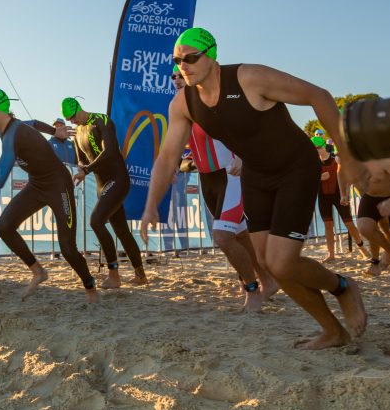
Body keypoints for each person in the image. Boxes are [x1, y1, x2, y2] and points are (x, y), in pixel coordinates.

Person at [141, 28, 369, 350]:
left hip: (295, 168)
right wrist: (151, 203)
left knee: (282, 262)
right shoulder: (184, 103)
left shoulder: (250, 78)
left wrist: (347, 157)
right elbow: (167, 156)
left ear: (212, 55)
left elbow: (319, 96)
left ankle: (344, 287)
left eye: (190, 58)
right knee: (268, 262)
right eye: (177, 61)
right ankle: (332, 331)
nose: (183, 66)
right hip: (256, 176)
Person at [0, 89, 98, 302]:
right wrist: (54, 131)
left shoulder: (13, 135)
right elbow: (33, 122)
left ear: (3, 109)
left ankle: (90, 287)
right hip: (37, 185)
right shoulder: (4, 129)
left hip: (59, 186)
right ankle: (38, 271)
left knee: (68, 248)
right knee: (4, 226)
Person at [170, 67, 277, 312]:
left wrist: (241, 156)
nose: (177, 79)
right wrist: (175, 165)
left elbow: (240, 129)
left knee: (222, 236)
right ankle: (268, 280)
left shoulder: (209, 101)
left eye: (180, 74)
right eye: (173, 76)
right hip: (208, 180)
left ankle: (252, 291)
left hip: (231, 174)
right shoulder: (180, 109)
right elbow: (180, 143)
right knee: (239, 234)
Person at [61, 97, 146, 288]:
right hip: (102, 183)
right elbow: (81, 159)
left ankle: (114, 274)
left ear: (79, 109)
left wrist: (86, 170)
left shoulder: (102, 120)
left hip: (118, 178)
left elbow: (110, 152)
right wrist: (82, 168)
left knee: (96, 221)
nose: (72, 121)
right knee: (121, 230)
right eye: (69, 119)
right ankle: (140, 274)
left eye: (73, 117)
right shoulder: (78, 133)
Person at [312, 136, 369, 262]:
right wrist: (320, 177)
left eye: (319, 147)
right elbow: (309, 179)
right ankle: (331, 253)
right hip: (323, 197)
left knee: (349, 223)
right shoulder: (314, 163)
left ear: (324, 146)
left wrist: (346, 193)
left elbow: (345, 176)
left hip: (339, 195)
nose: (317, 151)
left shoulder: (335, 159)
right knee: (328, 225)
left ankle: (362, 249)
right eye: (314, 149)